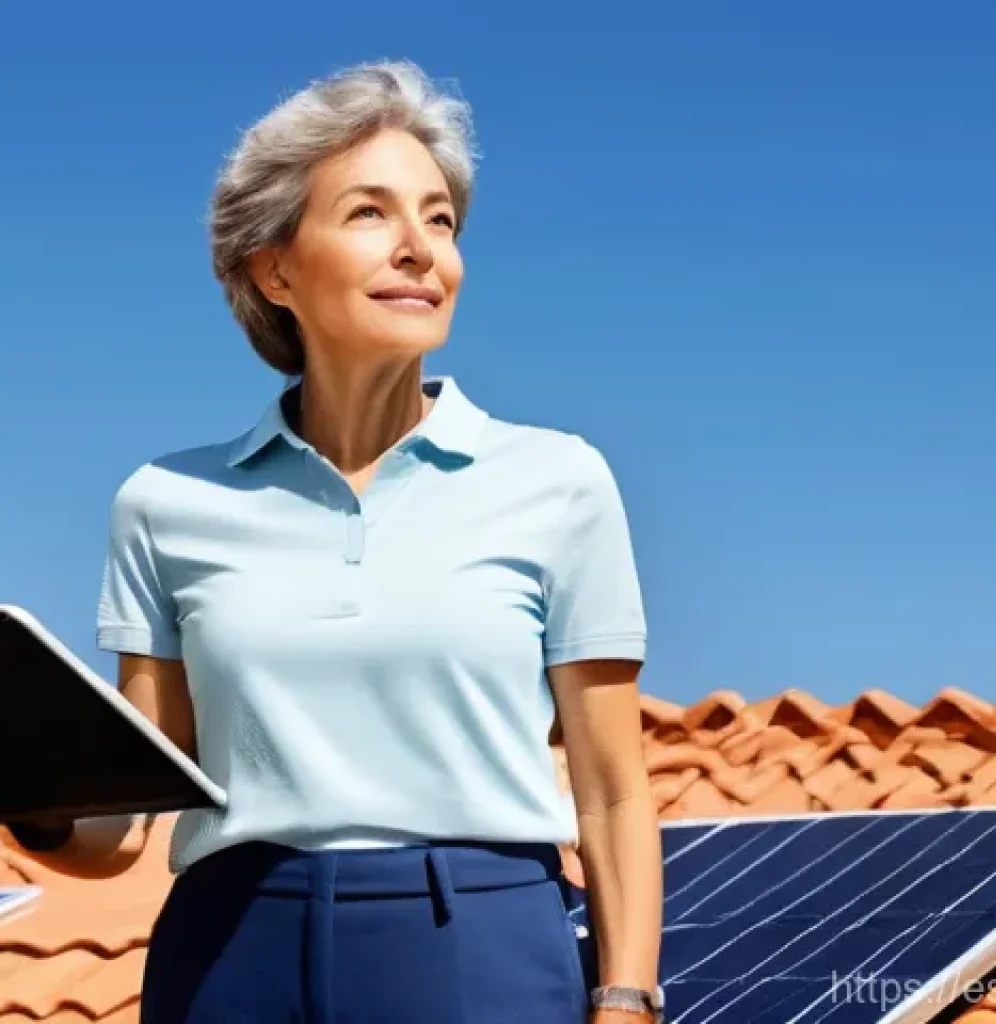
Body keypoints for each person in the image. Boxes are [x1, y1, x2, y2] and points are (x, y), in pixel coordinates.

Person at [9, 59, 664, 1023]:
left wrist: (626, 998)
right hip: (229, 953)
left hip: (478, 947)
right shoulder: (163, 503)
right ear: (272, 269)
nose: (420, 249)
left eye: (439, 219)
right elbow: (129, 820)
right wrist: (31, 794)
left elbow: (612, 794)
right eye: (370, 214)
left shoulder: (557, 482)